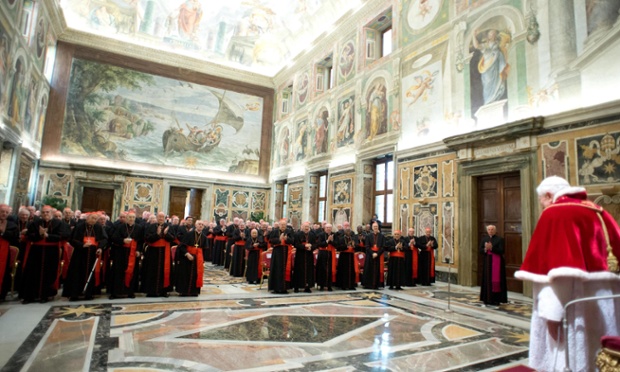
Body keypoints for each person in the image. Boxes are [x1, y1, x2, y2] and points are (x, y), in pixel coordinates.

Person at [515, 176, 620, 372]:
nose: (542, 206)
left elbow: (557, 273)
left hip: (573, 301)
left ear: (548, 195)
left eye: (542, 201)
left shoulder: (556, 214)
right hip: (606, 300)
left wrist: (552, 314)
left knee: (570, 356)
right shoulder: (598, 211)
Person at [21, 205, 69, 303]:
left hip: (51, 251)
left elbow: (63, 235)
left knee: (49, 273)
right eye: (43, 212)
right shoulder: (35, 223)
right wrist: (39, 235)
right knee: (32, 272)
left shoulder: (59, 223)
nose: (45, 214)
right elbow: (29, 235)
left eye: (47, 212)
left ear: (51, 213)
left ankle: (45, 295)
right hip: (36, 250)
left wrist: (48, 235)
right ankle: (30, 295)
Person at [63, 212, 108, 301]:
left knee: (90, 274)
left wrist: (100, 247)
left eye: (95, 219)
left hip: (92, 254)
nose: (94, 220)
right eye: (92, 218)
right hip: (80, 254)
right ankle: (74, 294)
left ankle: (89, 293)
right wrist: (82, 244)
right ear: (87, 218)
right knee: (77, 273)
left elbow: (104, 239)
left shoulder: (98, 227)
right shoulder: (79, 226)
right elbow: (72, 239)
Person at [108, 211, 143, 299]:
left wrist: (139, 250)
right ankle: (115, 293)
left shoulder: (139, 228)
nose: (131, 219)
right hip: (120, 253)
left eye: (133, 218)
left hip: (133, 253)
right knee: (118, 272)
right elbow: (114, 238)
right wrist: (123, 240)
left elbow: (140, 241)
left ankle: (130, 292)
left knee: (132, 272)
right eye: (130, 217)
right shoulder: (120, 227)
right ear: (126, 218)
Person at [143, 212, 174, 297]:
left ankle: (164, 291)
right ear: (157, 217)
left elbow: (172, 239)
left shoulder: (169, 227)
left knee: (165, 271)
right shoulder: (151, 226)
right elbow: (147, 238)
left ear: (165, 218)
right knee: (152, 271)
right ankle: (151, 291)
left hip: (165, 252)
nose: (161, 218)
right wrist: (156, 234)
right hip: (153, 253)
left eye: (162, 217)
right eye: (159, 217)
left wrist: (165, 234)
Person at [175, 220, 206, 296]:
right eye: (199, 224)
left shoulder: (204, 237)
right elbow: (181, 246)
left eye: (202, 224)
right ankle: (184, 291)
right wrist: (187, 254)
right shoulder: (189, 234)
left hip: (197, 259)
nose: (200, 226)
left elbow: (204, 250)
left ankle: (194, 291)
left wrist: (202, 260)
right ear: (195, 225)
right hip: (186, 258)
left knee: (196, 274)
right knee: (185, 274)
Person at [478, 225, 507, 307]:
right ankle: (486, 298)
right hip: (487, 262)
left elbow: (502, 251)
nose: (490, 231)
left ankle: (496, 299)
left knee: (496, 280)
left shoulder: (500, 239)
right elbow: (480, 250)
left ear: (495, 230)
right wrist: (485, 249)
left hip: (497, 262)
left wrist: (492, 248)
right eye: (489, 229)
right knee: (487, 280)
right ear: (487, 231)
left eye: (492, 229)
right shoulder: (484, 239)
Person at [267, 219, 294, 294]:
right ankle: (276, 288)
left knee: (286, 269)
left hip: (286, 252)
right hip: (277, 253)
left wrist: (287, 239)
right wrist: (279, 239)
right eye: (281, 225)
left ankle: (285, 288)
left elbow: (293, 240)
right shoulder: (275, 231)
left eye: (284, 225)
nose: (283, 226)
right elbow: (271, 241)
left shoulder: (289, 231)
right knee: (277, 269)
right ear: (279, 225)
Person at [0, 204, 19, 300]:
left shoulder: (12, 225)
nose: (4, 214)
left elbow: (15, 238)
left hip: (4, 252)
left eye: (6, 212)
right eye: (2, 211)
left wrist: (3, 232)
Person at [292, 222, 315, 293]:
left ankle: (307, 287)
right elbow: (295, 244)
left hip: (309, 255)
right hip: (300, 255)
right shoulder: (297, 234)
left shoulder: (312, 235)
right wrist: (304, 246)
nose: (306, 228)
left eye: (307, 226)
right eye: (305, 226)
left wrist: (311, 248)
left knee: (309, 271)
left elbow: (315, 244)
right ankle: (297, 287)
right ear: (302, 227)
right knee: (299, 271)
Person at [335, 221, 359, 290]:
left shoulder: (353, 238)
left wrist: (354, 246)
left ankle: (351, 285)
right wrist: (346, 246)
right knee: (344, 271)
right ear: (345, 232)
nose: (348, 232)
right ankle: (344, 285)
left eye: (349, 231)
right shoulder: (341, 238)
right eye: (347, 231)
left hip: (351, 256)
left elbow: (356, 246)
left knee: (351, 270)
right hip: (344, 256)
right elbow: (338, 247)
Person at [362, 222, 385, 289]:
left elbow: (383, 247)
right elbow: (367, 246)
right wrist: (372, 253)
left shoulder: (382, 236)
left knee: (377, 270)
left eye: (376, 226)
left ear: (378, 227)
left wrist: (377, 254)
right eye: (374, 226)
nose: (375, 228)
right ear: (372, 228)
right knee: (369, 270)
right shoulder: (368, 236)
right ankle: (368, 284)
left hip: (378, 255)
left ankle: (377, 284)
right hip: (370, 255)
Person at [315, 223, 337, 291]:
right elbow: (319, 244)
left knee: (329, 269)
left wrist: (332, 241)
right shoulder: (320, 235)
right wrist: (327, 241)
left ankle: (329, 285)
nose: (328, 229)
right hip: (323, 253)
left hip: (330, 253)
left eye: (330, 227)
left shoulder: (334, 235)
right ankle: (321, 285)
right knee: (322, 269)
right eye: (327, 227)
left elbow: (337, 244)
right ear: (324, 228)